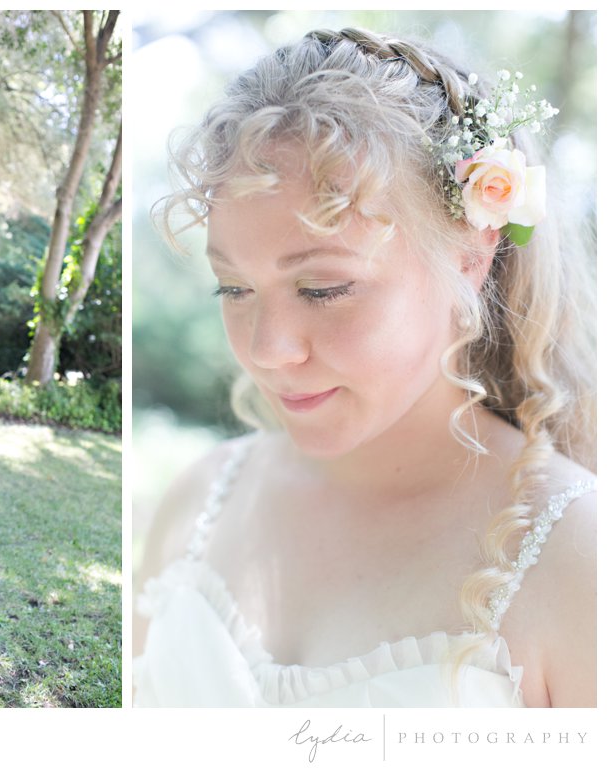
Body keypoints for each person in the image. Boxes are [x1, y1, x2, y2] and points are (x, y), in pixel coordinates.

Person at [133, 28, 596, 707]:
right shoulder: (196, 502)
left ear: (470, 256)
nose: (268, 349)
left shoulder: (578, 556)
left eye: (324, 289)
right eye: (233, 289)